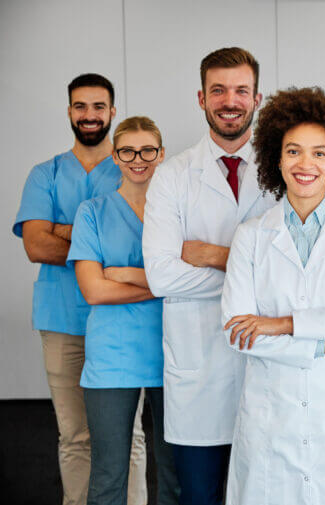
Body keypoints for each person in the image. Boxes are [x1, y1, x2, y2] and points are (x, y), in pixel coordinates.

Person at [221, 86, 325, 505]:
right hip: (270, 418)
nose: (305, 164)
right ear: (276, 159)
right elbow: (238, 333)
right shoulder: (251, 237)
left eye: (318, 153)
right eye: (293, 151)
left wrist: (283, 324)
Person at [142, 47, 276, 505]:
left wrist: (215, 256)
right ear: (201, 98)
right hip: (196, 371)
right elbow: (161, 277)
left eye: (241, 90)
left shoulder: (287, 169)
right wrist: (255, 272)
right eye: (218, 90)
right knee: (198, 496)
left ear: (258, 97)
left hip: (267, 366)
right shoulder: (172, 176)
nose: (230, 100)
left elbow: (296, 272)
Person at [13, 73, 146, 505]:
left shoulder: (132, 167)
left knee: (131, 437)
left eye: (98, 106)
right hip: (62, 322)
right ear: (69, 111)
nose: (89, 115)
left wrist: (63, 229)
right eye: (80, 106)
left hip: (124, 323)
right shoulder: (44, 174)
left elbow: (144, 250)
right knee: (74, 435)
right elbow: (35, 244)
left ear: (112, 111)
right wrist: (99, 244)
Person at [69, 117, 179, 505]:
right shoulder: (92, 212)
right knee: (108, 476)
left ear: (161, 154)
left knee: (175, 475)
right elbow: (94, 290)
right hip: (112, 357)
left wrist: (129, 275)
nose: (139, 159)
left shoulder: (177, 212)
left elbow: (196, 278)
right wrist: (162, 284)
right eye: (128, 151)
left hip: (173, 353)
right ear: (115, 156)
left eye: (148, 150)